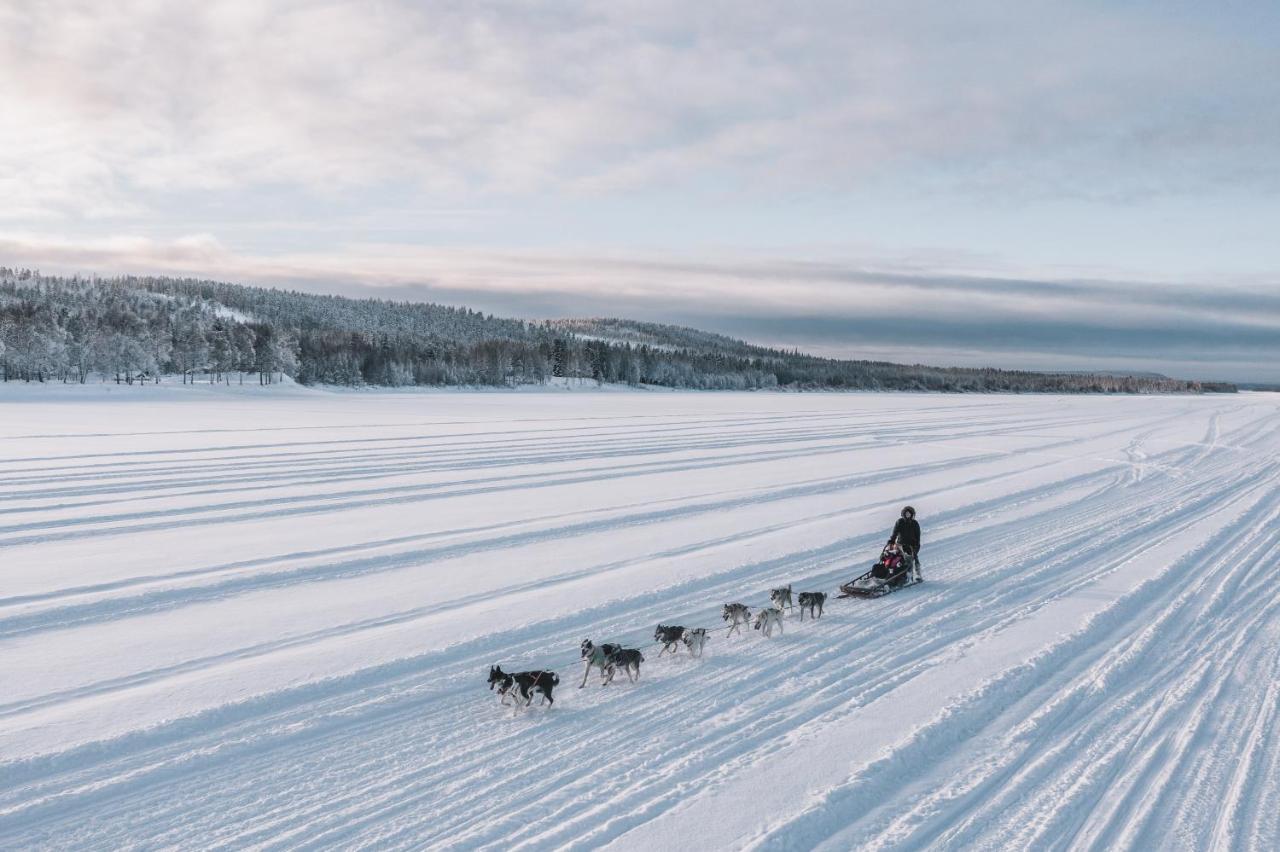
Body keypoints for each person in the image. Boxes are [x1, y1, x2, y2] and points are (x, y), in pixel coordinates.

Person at [889, 505, 923, 582]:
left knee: (911, 559)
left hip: (911, 546)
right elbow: (895, 532)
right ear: (903, 514)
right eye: (906, 513)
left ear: (912, 514)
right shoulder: (900, 522)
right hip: (900, 545)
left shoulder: (915, 523)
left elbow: (918, 536)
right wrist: (891, 541)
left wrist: (916, 546)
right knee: (895, 558)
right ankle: (894, 575)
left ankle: (916, 575)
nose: (907, 515)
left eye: (909, 513)